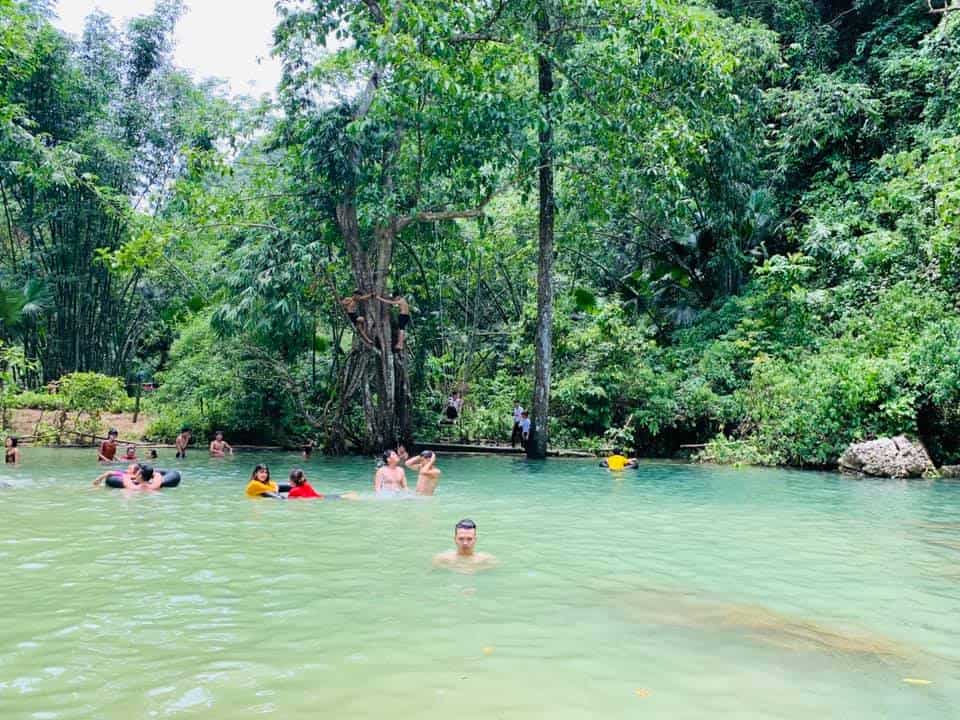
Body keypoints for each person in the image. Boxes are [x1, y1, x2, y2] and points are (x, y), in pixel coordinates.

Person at [433, 519, 497, 571]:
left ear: (475, 540)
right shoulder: (443, 560)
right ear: (455, 539)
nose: (465, 543)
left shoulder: (486, 561)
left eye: (469, 539)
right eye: (461, 539)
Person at [287, 467, 360, 500]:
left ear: (293, 481)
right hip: (321, 497)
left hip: (319, 499)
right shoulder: (306, 485)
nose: (288, 481)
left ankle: (348, 496)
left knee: (337, 498)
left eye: (289, 480)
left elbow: (289, 500)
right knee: (338, 497)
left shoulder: (293, 491)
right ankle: (349, 495)